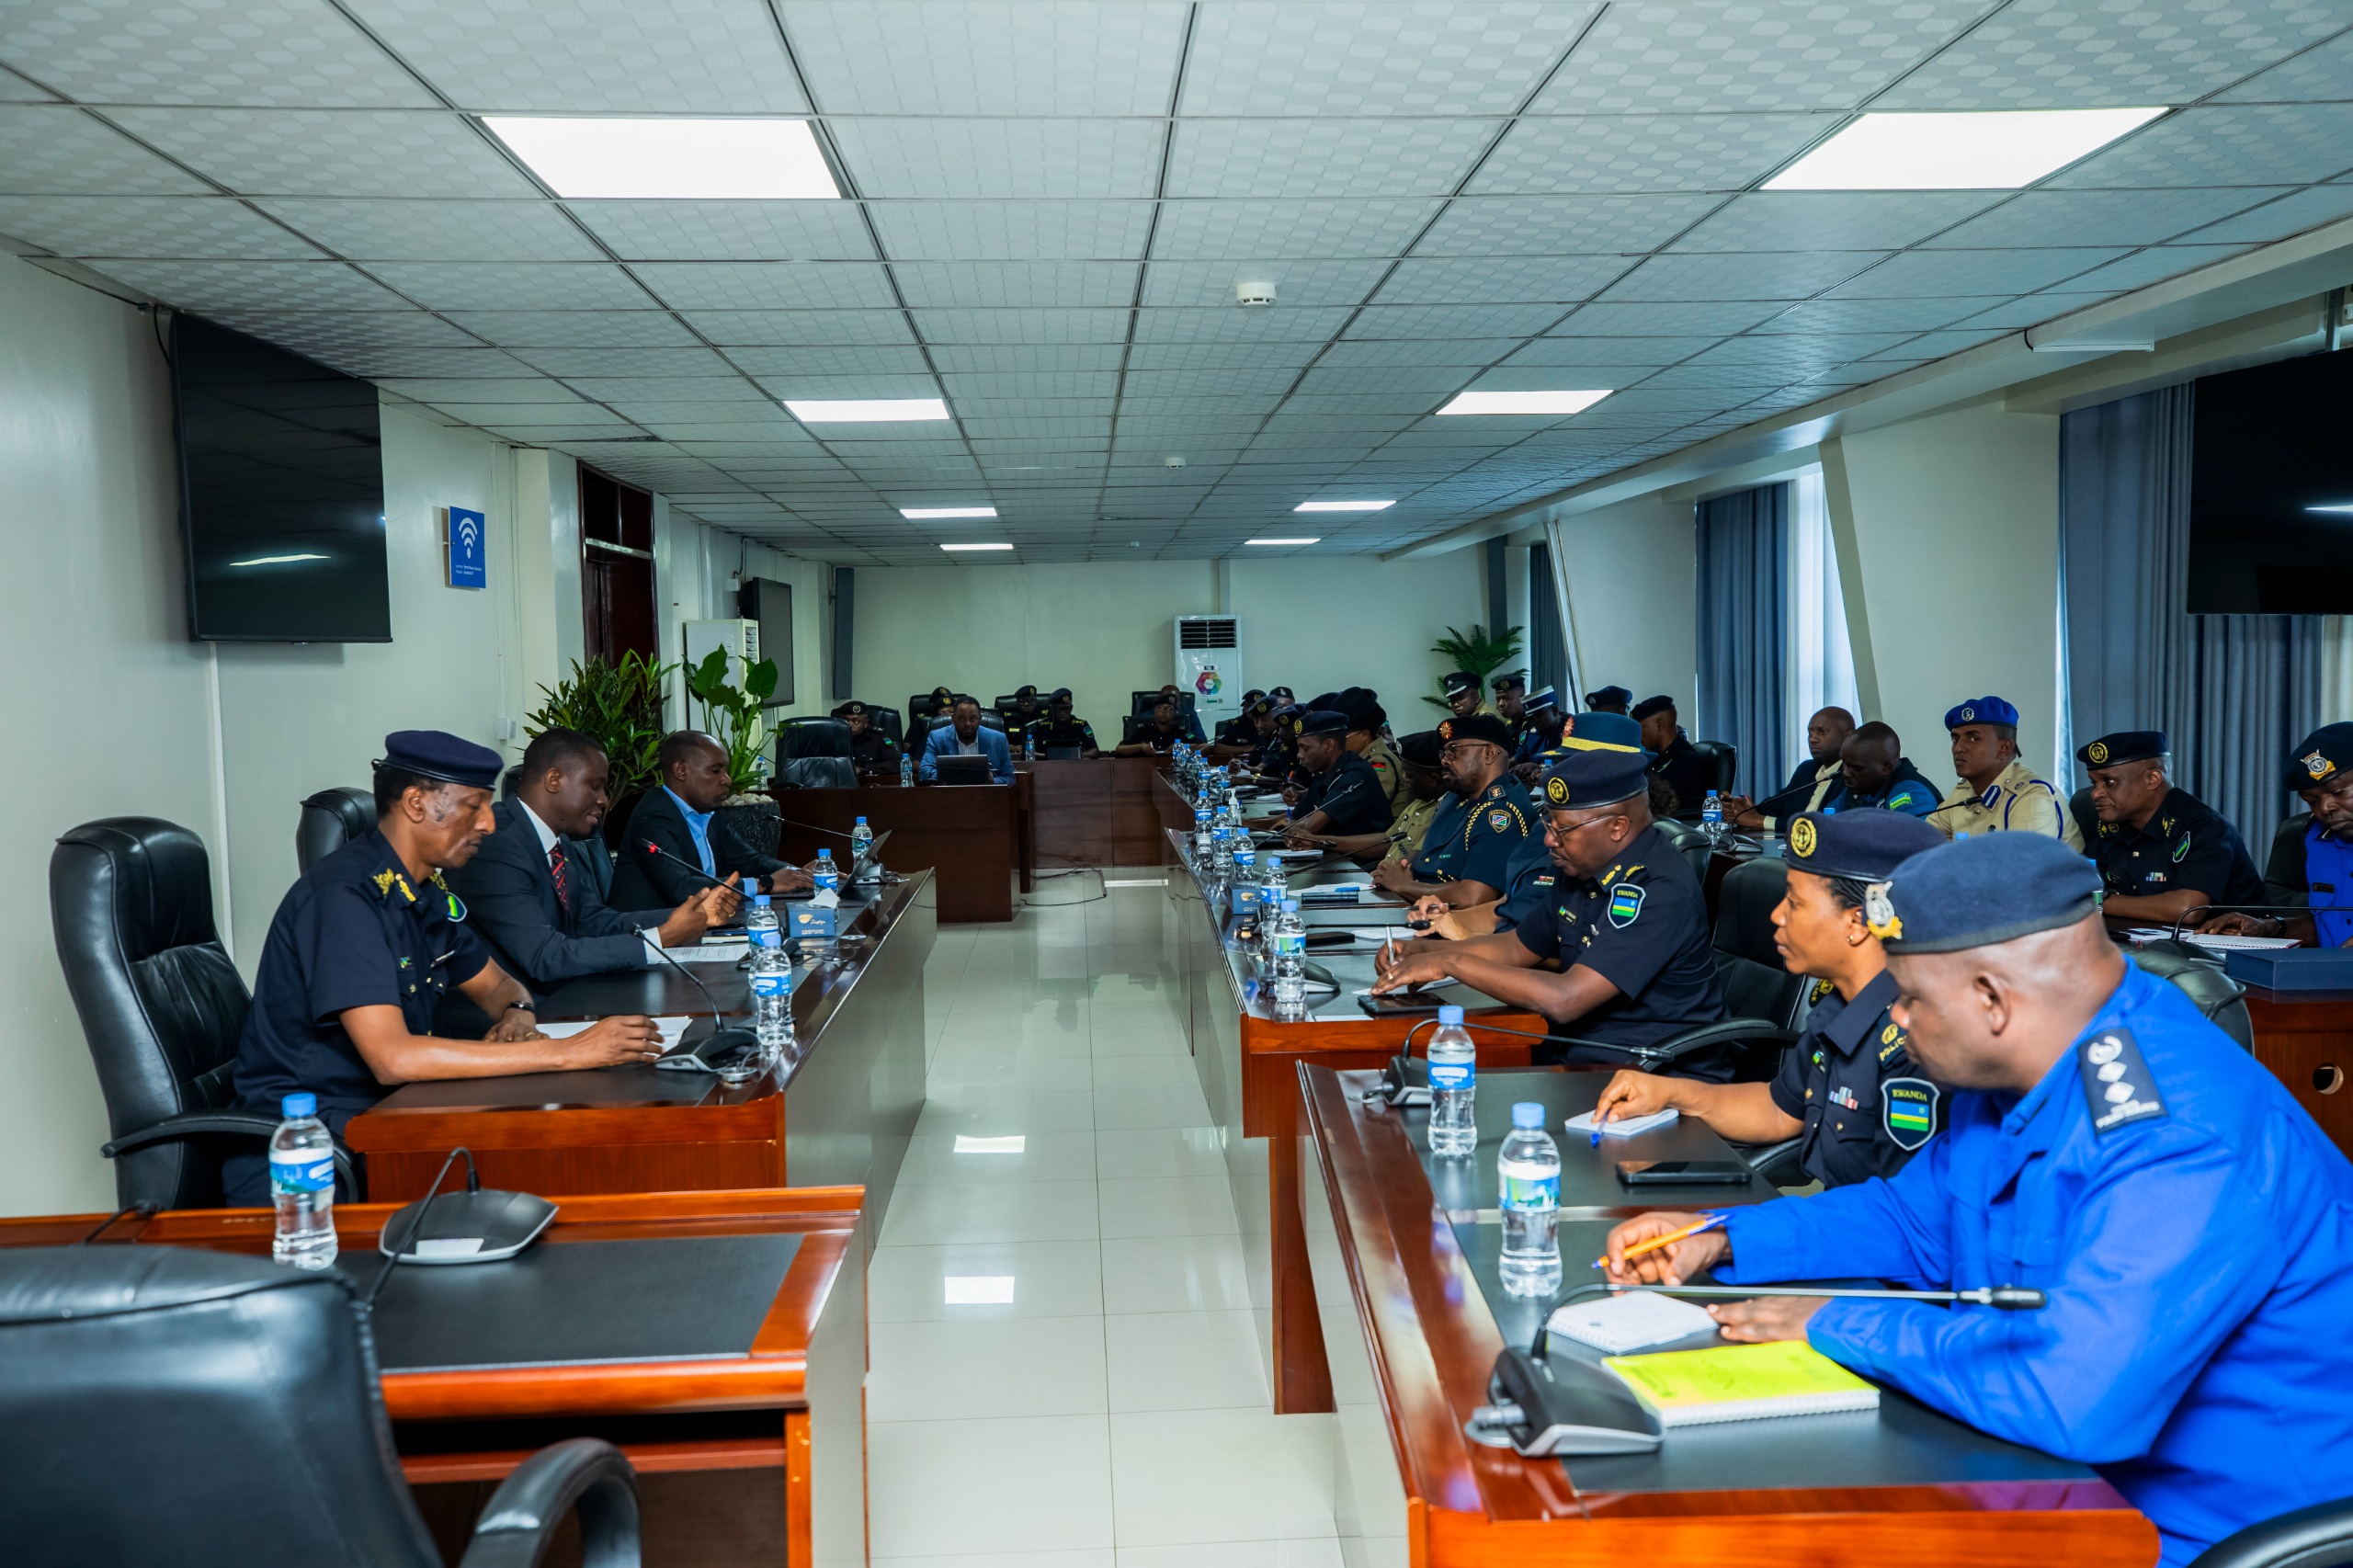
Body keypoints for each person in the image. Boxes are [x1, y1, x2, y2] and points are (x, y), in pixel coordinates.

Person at [1601, 832, 2353, 1568]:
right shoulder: (2016, 1069)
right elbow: (1911, 1220)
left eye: (1910, 999)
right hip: (2029, 1468)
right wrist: (1722, 1234)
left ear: (1992, 999)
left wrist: (1832, 1322)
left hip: (2194, 1530)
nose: (1895, 1020)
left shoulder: (2179, 1139)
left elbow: (2070, 1395)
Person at [224, 732, 665, 1203]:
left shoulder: (424, 893)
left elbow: (498, 985)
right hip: (311, 1158)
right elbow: (393, 1059)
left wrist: (516, 1015)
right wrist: (568, 1052)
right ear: (416, 803)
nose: (488, 824)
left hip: (393, 1119)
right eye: (473, 807)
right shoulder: (343, 900)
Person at [1589, 808, 1949, 1187]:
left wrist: (1737, 1221)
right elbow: (1779, 1110)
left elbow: (1902, 1209)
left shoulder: (1916, 1044)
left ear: (1857, 922)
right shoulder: (1841, 1005)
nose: (1777, 915)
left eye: (1794, 902)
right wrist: (1670, 1093)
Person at [1374, 726, 1733, 1077]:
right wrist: (1422, 952)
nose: (1549, 840)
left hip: (1652, 1076)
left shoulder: (1658, 889)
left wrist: (1448, 963)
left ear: (1617, 827)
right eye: (1549, 823)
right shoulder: (1581, 870)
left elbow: (1565, 999)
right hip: (1583, 1056)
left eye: (1563, 829)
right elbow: (1516, 947)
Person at [451, 728, 742, 992]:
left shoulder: (557, 839)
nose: (604, 799)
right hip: (509, 1016)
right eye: (595, 786)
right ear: (554, 780)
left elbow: (593, 920)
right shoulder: (496, 844)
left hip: (563, 995)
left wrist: (690, 915)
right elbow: (544, 957)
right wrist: (661, 938)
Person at [610, 731, 814, 908]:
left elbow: (751, 861)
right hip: (646, 932)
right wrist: (764, 883)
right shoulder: (652, 818)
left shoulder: (708, 812)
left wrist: (797, 874)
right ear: (681, 770)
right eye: (716, 770)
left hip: (695, 926)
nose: (727, 780)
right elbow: (682, 888)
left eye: (725, 771)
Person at [2076, 730, 2263, 925]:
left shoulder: (2204, 827)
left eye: (2109, 782)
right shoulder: (2113, 829)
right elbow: (2073, 885)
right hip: (2146, 938)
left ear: (2152, 779)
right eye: (2094, 783)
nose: (2095, 794)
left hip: (2230, 942)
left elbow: (2188, 909)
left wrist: (2097, 901)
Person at [2203, 722, 2353, 946]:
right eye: (2312, 801)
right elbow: (2328, 924)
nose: (2324, 808)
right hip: (2326, 967)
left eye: (2338, 792)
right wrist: (2269, 927)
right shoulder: (2318, 839)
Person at [1370, 714, 1532, 908]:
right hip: (1419, 907)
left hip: (1454, 921)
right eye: (1444, 753)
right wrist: (1400, 872)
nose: (1445, 761)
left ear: (1489, 754)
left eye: (1454, 752)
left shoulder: (1500, 812)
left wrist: (1404, 886)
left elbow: (1474, 897)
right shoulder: (1455, 797)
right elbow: (1426, 857)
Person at [1927, 695, 2081, 847]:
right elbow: (1923, 843)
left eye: (1973, 739)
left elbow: (2021, 861)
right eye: (1955, 739)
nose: (1959, 748)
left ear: (2004, 748)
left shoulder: (2033, 796)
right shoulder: (1962, 792)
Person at [1721, 706, 1854, 832]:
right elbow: (1776, 805)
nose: (1813, 739)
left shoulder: (1853, 776)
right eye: (1810, 732)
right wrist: (1741, 808)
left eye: (1822, 732)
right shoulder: (1806, 769)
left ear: (1848, 736)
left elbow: (1821, 824)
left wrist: (1757, 820)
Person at [1279, 709, 1393, 852]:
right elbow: (1296, 816)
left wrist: (1287, 826)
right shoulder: (1324, 772)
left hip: (1359, 861)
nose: (1299, 755)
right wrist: (1256, 824)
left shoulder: (1357, 774)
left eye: (1305, 748)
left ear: (1329, 745)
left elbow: (1310, 826)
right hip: (1334, 854)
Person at [1826, 721, 1938, 817]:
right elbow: (1826, 823)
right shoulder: (1859, 787)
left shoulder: (1912, 793)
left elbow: (1906, 834)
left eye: (1857, 768)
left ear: (1886, 768)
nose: (1846, 773)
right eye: (1845, 764)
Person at [1632, 695, 1711, 815]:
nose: (1639, 736)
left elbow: (1662, 804)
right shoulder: (1657, 758)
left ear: (1659, 725)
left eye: (1641, 729)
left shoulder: (1685, 762)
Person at [1335, 687, 1403, 812]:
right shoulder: (1355, 758)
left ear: (1363, 735)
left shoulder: (1379, 763)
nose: (1337, 742)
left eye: (1342, 737)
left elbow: (1363, 806)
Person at [918, 696, 1015, 783]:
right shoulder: (937, 738)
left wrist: (993, 781)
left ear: (980, 720)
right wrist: (953, 776)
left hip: (985, 794)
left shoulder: (998, 739)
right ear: (953, 718)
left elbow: (1010, 777)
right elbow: (924, 773)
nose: (967, 723)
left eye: (973, 719)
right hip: (950, 794)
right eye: (961, 718)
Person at [1023, 687, 1099, 757]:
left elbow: (1095, 751)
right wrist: (1049, 756)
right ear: (1052, 709)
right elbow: (1028, 753)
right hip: (1046, 766)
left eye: (1066, 709)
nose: (1062, 713)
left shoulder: (1082, 725)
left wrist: (1078, 755)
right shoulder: (1039, 727)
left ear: (1071, 708)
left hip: (1074, 765)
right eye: (1058, 709)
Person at [832, 700, 896, 774]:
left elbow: (897, 764)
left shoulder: (879, 737)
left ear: (865, 723)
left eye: (856, 721)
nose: (849, 725)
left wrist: (863, 768)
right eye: (845, 720)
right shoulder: (832, 737)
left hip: (869, 780)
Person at [1117, 695, 1192, 756]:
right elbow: (1119, 749)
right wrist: (1141, 747)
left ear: (1174, 713)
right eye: (1160, 708)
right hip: (1146, 768)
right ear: (1154, 710)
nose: (1164, 711)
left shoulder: (1182, 730)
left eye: (1169, 708)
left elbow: (1199, 746)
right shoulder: (1142, 730)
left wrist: (1182, 747)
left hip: (1175, 767)